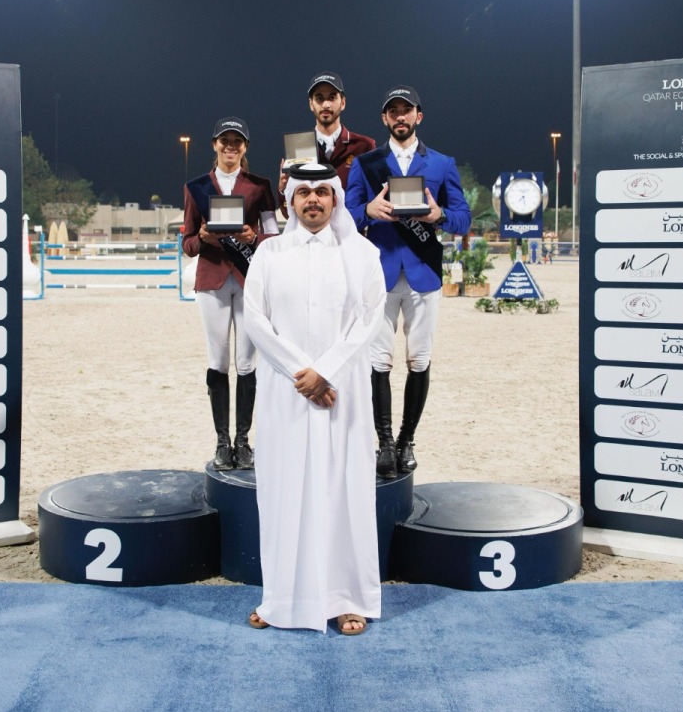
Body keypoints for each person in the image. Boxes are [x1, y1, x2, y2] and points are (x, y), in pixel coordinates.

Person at [243, 161, 387, 635]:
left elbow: (370, 319)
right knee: (284, 491)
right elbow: (255, 320)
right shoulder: (268, 254)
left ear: (335, 199)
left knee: (343, 491)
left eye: (321, 193)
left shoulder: (362, 253)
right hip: (286, 396)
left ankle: (348, 598)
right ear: (291, 201)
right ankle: (281, 598)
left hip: (342, 395)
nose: (312, 200)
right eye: (303, 193)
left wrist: (324, 372)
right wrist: (299, 373)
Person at [345, 86, 471, 479]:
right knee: (378, 361)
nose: (400, 117)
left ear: (419, 115)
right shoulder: (365, 164)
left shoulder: (442, 163)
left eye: (407, 110)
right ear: (384, 119)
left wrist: (437, 216)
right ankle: (383, 443)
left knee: (419, 360)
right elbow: (345, 216)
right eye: (392, 111)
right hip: (378, 274)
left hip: (423, 275)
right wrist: (366, 209)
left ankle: (406, 440)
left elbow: (463, 218)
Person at [181, 118, 278, 471]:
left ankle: (243, 440)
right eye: (225, 141)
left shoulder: (259, 186)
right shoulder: (196, 188)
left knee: (248, 363)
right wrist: (203, 239)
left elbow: (273, 235)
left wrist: (255, 239)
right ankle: (222, 442)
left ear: (245, 148)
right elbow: (187, 243)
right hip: (213, 281)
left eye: (237, 142)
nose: (231, 147)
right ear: (215, 144)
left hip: (249, 277)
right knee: (218, 361)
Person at [278, 72, 377, 206]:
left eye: (332, 97)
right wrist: (284, 190)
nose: (325, 104)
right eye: (319, 98)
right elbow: (289, 213)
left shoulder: (364, 146)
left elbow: (373, 199)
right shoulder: (298, 146)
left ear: (343, 102)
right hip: (311, 224)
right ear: (311, 104)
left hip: (352, 226)